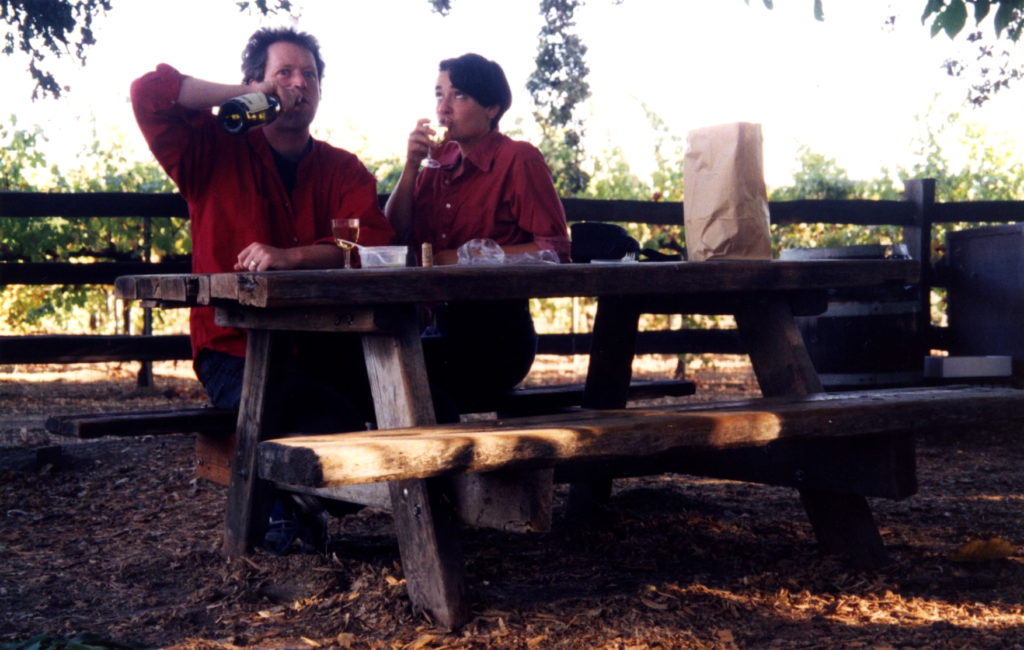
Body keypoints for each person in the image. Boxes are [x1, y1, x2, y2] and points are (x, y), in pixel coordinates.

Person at [131, 27, 395, 553]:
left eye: (310, 75)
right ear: (255, 83)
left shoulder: (342, 167)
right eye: (284, 74)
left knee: (428, 397)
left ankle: (318, 502)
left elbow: (374, 244)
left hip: (326, 344)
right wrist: (245, 98)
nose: (299, 84)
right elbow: (149, 93)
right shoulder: (209, 149)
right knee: (322, 419)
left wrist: (293, 258)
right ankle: (286, 508)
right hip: (234, 350)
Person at [385, 53, 570, 419]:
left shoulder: (518, 159)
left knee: (400, 375)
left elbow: (555, 252)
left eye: (459, 96)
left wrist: (462, 256)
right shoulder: (437, 164)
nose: (444, 108)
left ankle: (436, 469)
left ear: (492, 107)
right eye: (439, 95)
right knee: (370, 367)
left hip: (497, 336)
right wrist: (410, 167)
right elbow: (396, 233)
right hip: (435, 328)